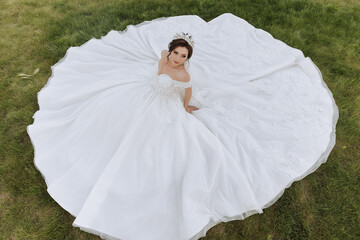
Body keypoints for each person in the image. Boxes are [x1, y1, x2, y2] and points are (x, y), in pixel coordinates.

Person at [27, 13, 338, 240]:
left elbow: (187, 93)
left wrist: (187, 106)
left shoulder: (183, 77)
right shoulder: (163, 57)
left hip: (165, 105)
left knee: (154, 149)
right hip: (141, 93)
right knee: (104, 121)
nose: (176, 59)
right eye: (175, 53)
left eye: (183, 56)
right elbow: (159, 65)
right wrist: (162, 67)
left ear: (188, 59)